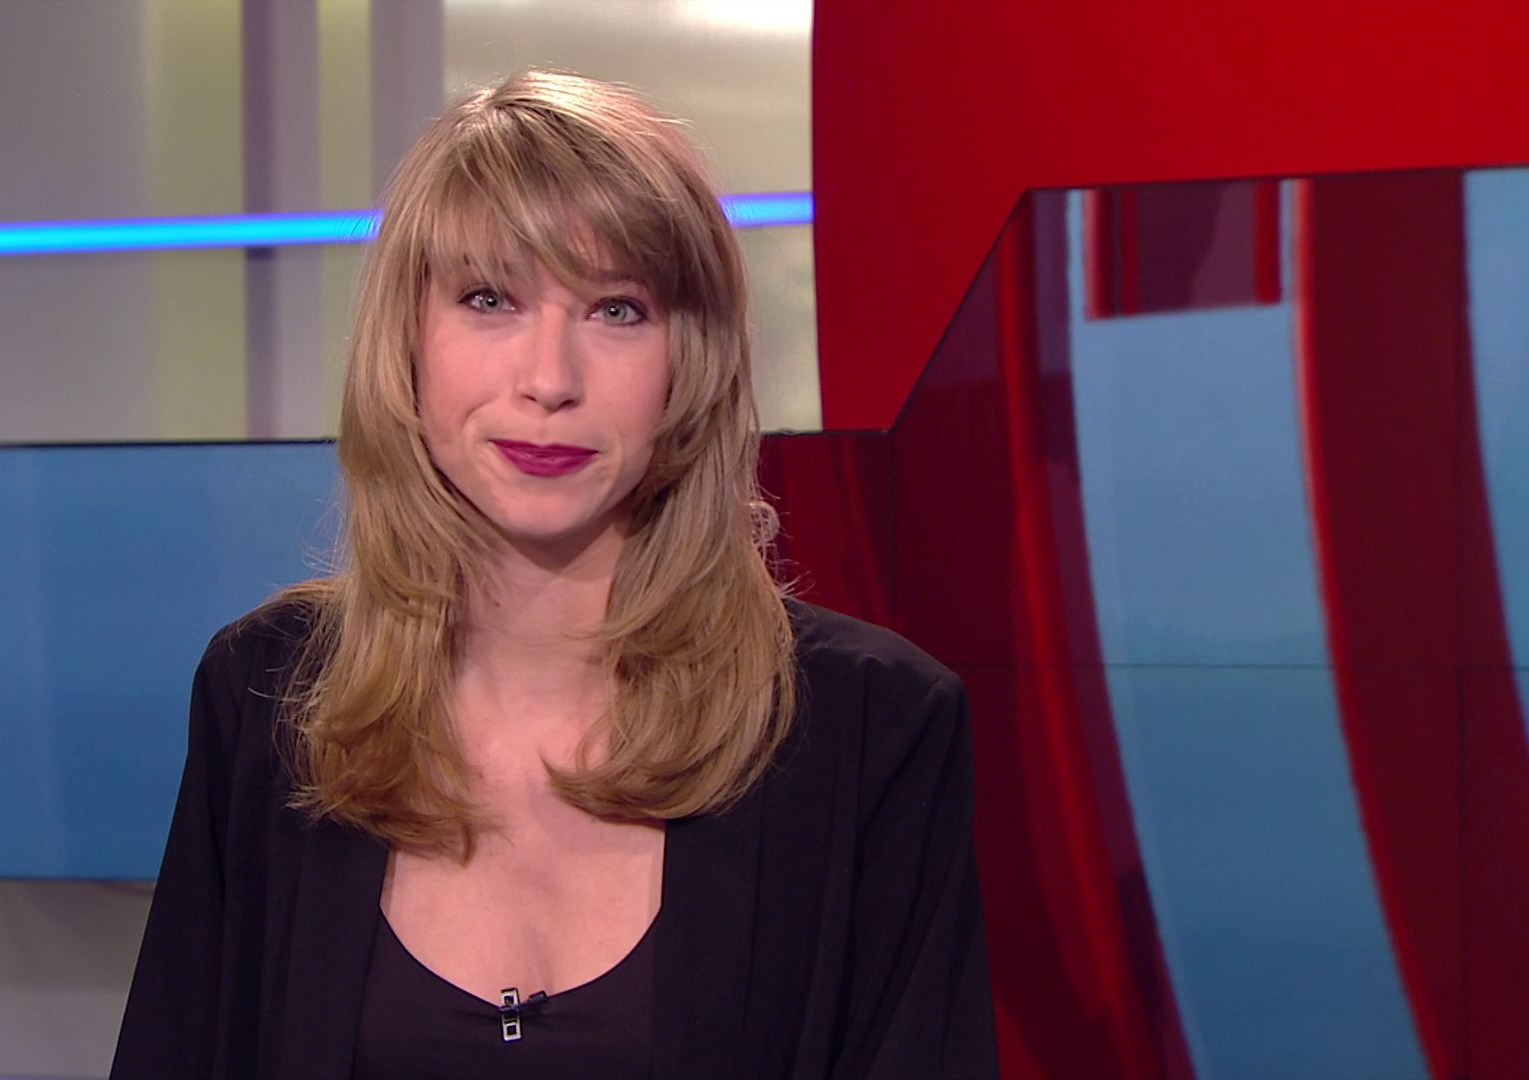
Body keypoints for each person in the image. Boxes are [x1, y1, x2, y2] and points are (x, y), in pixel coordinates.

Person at [110, 68, 996, 1079]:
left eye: (617, 310)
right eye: (490, 299)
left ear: (690, 363)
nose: (549, 379)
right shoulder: (267, 696)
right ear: (409, 343)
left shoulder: (876, 730)